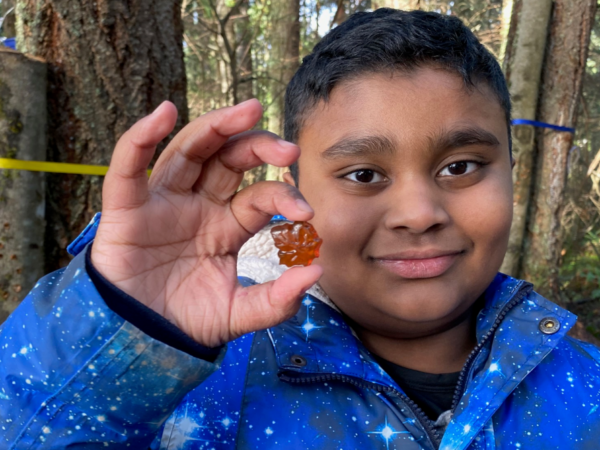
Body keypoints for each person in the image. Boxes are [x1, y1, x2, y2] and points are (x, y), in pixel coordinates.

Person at [1, 8, 599, 450]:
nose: (419, 213)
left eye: (461, 166)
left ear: (512, 173)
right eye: (364, 173)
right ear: (293, 191)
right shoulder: (191, 387)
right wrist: (124, 328)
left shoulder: (587, 389)